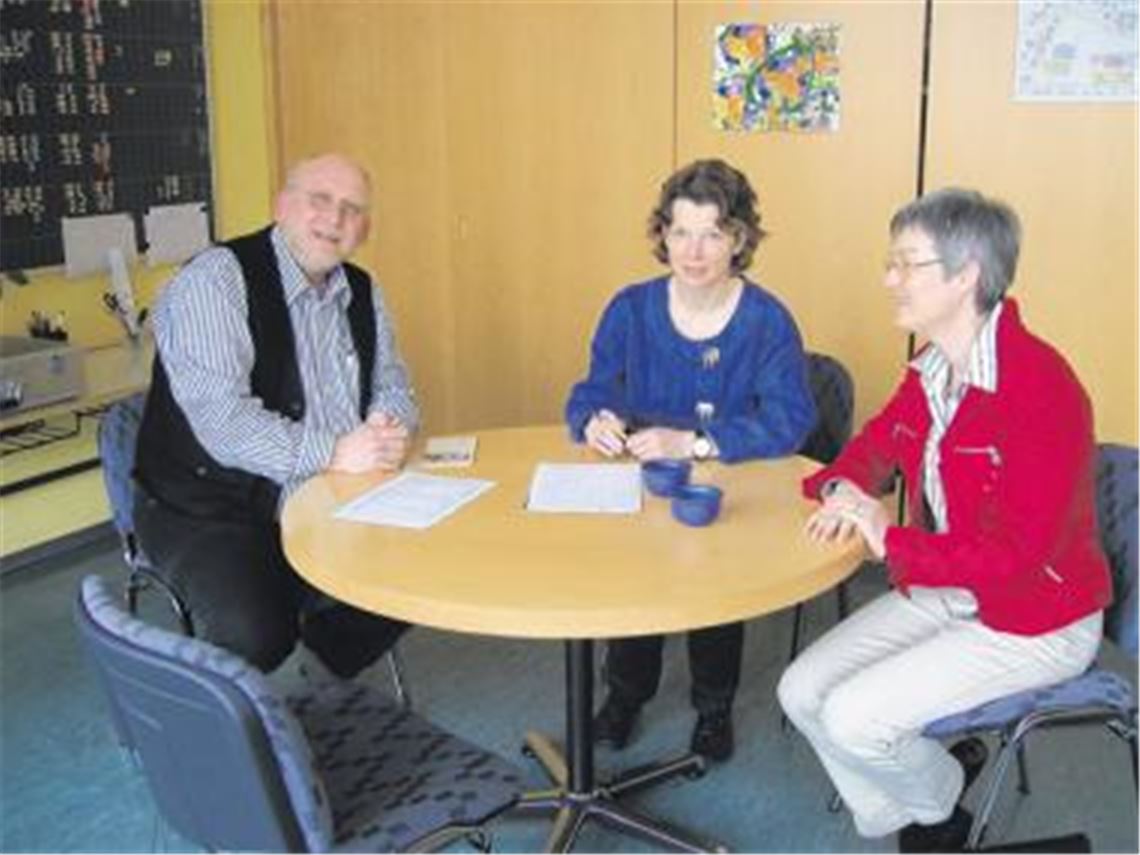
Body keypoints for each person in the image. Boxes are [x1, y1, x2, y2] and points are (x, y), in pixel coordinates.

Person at [778, 188, 1111, 852]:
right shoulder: (932, 369)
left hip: (1037, 616)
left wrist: (888, 536)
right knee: (800, 689)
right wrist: (843, 485)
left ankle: (930, 807)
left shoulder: (1041, 389)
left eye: (906, 263)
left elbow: (1016, 553)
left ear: (966, 277)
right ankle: (936, 803)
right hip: (954, 589)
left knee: (851, 717)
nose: (888, 278)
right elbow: (874, 447)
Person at [565, 158, 816, 762]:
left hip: (727, 484)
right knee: (634, 577)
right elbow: (593, 390)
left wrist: (697, 442)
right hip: (643, 482)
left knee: (715, 581)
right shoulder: (630, 309)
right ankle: (624, 696)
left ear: (739, 240)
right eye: (681, 232)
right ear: (663, 236)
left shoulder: (765, 320)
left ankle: (713, 707)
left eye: (712, 234)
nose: (694, 250)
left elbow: (790, 421)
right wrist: (595, 420)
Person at [133, 153, 419, 681]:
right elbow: (224, 423)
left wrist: (384, 425)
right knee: (254, 632)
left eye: (352, 209)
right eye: (320, 200)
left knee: (416, 575)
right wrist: (335, 452)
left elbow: (393, 383)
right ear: (282, 205)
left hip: (330, 490)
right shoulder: (214, 282)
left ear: (365, 229)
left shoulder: (363, 290)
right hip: (211, 505)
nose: (334, 219)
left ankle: (314, 675)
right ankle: (231, 721)